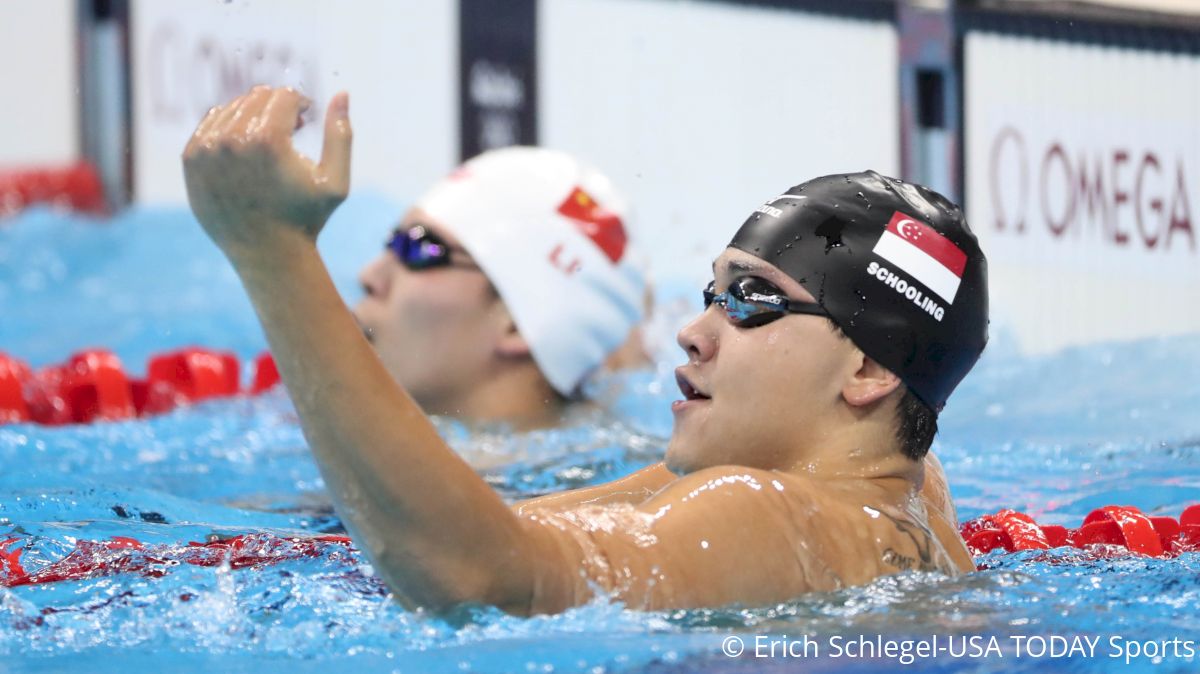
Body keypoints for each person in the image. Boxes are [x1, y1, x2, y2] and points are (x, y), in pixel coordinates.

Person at [182, 86, 984, 614]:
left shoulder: (758, 511)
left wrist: (273, 252)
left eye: (752, 300)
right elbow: (510, 525)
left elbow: (476, 574)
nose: (693, 329)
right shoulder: (915, 494)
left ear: (873, 369)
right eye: (712, 293)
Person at [353, 146, 648, 431]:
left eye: (419, 248)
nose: (368, 275)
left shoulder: (590, 477)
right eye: (392, 241)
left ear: (515, 325)